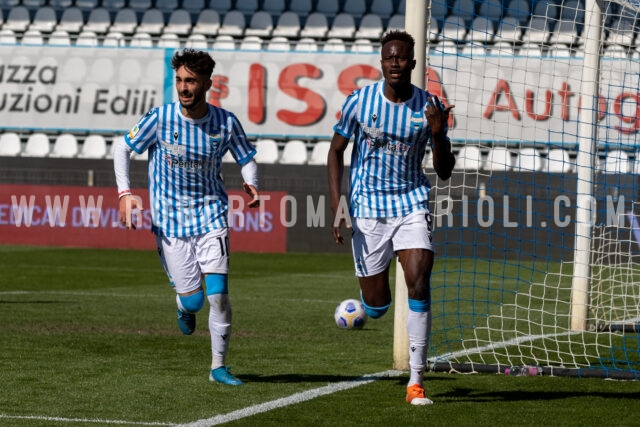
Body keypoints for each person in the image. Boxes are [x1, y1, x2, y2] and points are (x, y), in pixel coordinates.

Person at [114, 49, 260, 386]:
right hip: (170, 223)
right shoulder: (160, 119)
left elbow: (247, 157)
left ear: (207, 83)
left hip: (212, 216)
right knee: (194, 302)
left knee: (219, 293)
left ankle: (218, 367)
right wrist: (125, 194)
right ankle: (183, 305)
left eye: (191, 80)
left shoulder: (225, 122)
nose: (184, 87)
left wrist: (252, 182)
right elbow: (123, 148)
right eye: (179, 80)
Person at [327, 30, 455, 405]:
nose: (395, 63)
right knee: (378, 306)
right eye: (389, 57)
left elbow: (444, 171)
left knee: (419, 279)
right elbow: (335, 152)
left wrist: (438, 135)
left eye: (402, 57)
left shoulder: (429, 106)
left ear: (413, 64)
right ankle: (367, 306)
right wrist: (339, 205)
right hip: (367, 209)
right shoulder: (359, 102)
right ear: (381, 63)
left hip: (411, 203)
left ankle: (415, 381)